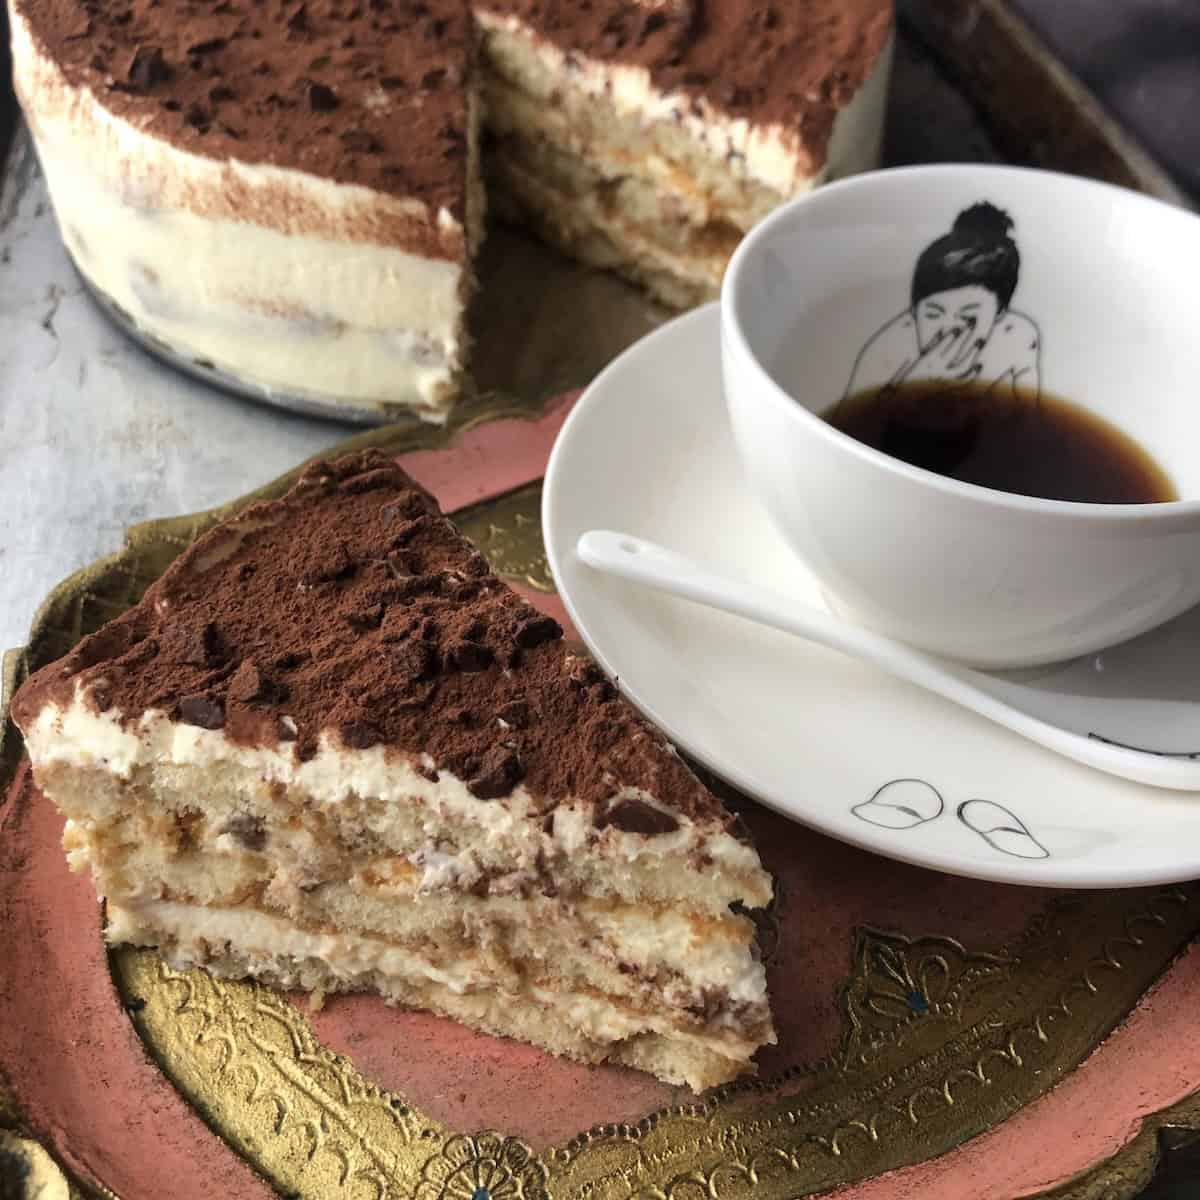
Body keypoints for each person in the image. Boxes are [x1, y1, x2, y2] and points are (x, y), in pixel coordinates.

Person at [845, 202, 1041, 399]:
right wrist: (919, 382)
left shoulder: (1019, 337)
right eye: (933, 314)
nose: (948, 328)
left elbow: (1030, 417)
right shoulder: (886, 349)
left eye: (968, 318)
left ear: (999, 313)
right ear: (914, 311)